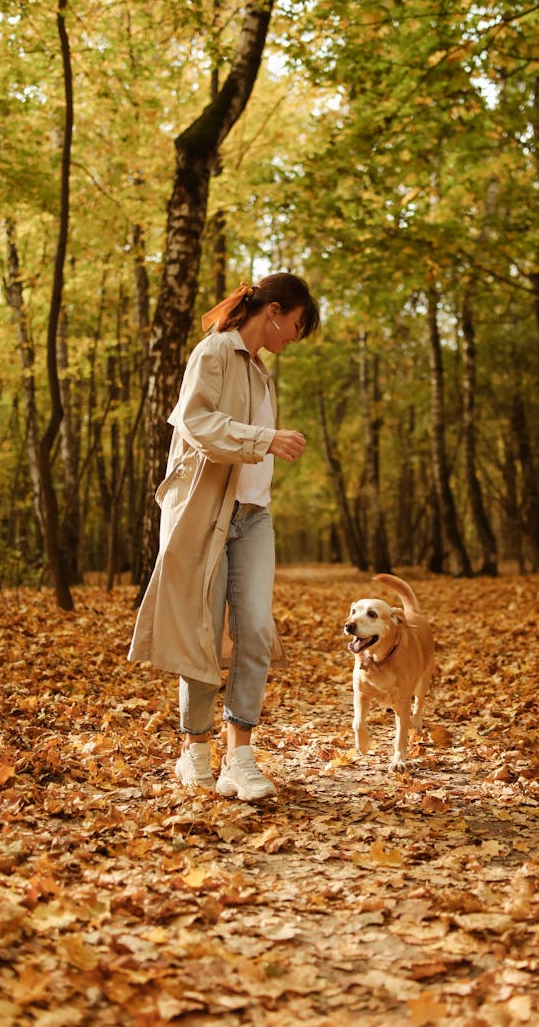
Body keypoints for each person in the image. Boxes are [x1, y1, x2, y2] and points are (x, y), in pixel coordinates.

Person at [129, 272, 320, 801]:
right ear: (275, 311)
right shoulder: (212, 352)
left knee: (255, 629)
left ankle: (240, 757)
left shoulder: (262, 372)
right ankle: (194, 753)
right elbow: (194, 422)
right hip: (205, 512)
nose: (292, 339)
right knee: (204, 634)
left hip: (254, 516)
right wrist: (265, 438)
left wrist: (264, 450)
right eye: (295, 326)